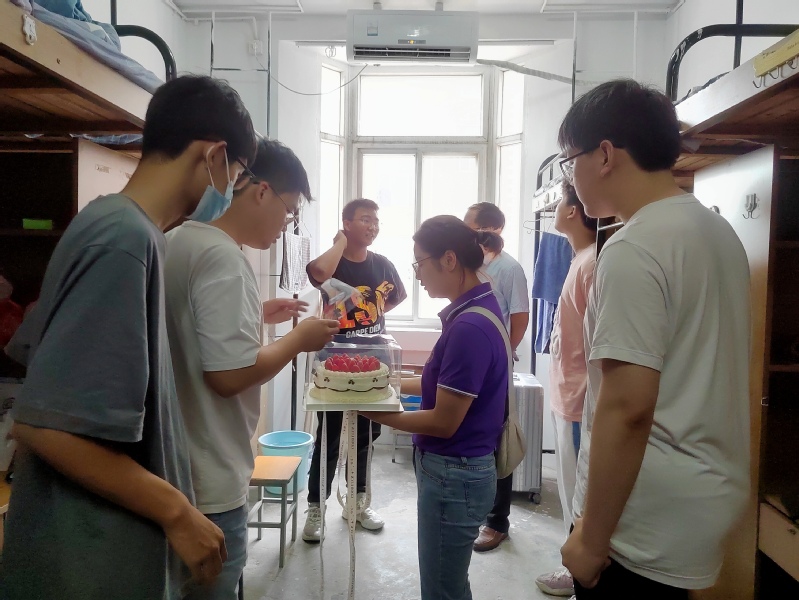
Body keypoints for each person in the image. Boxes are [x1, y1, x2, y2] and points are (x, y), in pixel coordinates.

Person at [1, 75, 257, 600]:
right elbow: (46, 426)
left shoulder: (125, 228)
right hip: (86, 562)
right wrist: (177, 511)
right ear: (214, 155)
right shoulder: (123, 239)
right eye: (235, 176)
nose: (229, 192)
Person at [558, 79, 751, 599]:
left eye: (569, 161)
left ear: (604, 155)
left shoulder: (634, 247)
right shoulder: (716, 230)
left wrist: (590, 541)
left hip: (642, 515)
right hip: (703, 490)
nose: (570, 178)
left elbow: (628, 407)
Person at [163, 138, 340, 600]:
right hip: (210, 481)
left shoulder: (179, 239)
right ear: (262, 191)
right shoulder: (224, 256)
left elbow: (186, 330)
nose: (287, 225)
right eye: (290, 211)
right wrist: (298, 340)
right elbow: (228, 377)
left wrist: (256, 314)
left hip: (174, 469)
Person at [363, 215, 508, 600]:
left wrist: (371, 411)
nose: (417, 275)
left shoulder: (469, 329)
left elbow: (444, 421)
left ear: (449, 259)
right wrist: (380, 382)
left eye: (419, 264)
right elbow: (436, 382)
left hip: (454, 475)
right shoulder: (478, 308)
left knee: (442, 590)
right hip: (458, 471)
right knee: (449, 583)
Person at [302, 198, 407, 542]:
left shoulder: (383, 264)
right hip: (333, 359)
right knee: (330, 437)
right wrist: (340, 243)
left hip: (373, 359)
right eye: (364, 219)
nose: (373, 226)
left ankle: (357, 503)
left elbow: (396, 297)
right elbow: (318, 273)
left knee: (365, 437)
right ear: (346, 223)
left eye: (375, 220)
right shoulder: (334, 262)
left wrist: (370, 314)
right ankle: (316, 507)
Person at [534, 182, 597, 598]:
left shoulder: (592, 263)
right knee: (570, 489)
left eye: (560, 202)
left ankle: (577, 574)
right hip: (566, 394)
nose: (555, 208)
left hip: (579, 400)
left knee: (579, 496)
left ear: (573, 212)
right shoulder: (580, 258)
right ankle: (572, 567)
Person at [463, 202, 530, 553]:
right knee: (474, 436)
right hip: (471, 362)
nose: (465, 231)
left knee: (497, 438)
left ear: (489, 230)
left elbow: (520, 316)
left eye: (469, 225)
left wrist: (505, 354)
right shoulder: (473, 264)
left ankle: (497, 521)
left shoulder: (509, 268)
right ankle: (475, 510)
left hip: (496, 367)